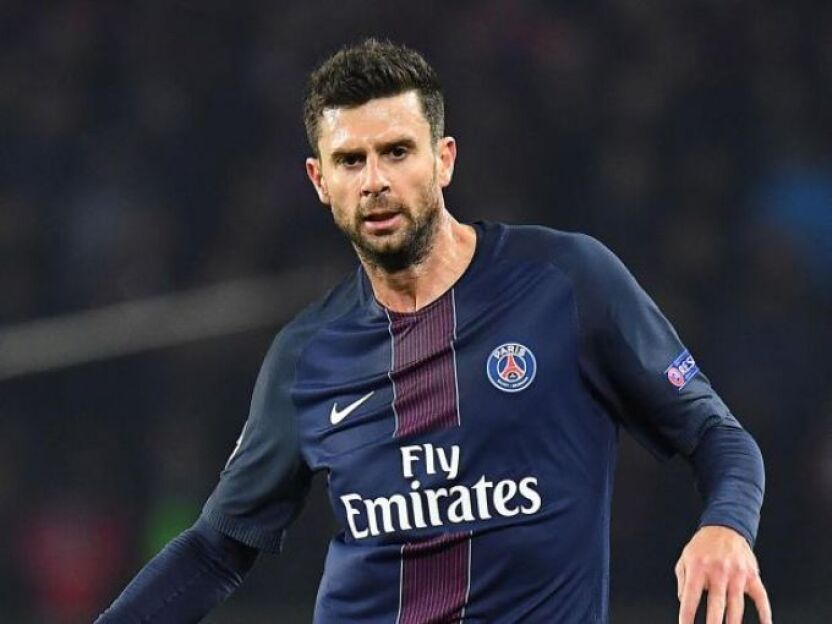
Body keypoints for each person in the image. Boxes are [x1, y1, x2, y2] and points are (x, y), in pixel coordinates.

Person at [96, 38, 771, 624]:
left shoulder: (566, 283)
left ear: (444, 159)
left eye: (396, 152)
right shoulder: (307, 355)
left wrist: (727, 526)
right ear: (319, 181)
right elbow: (216, 549)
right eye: (350, 160)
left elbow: (719, 436)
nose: (375, 181)